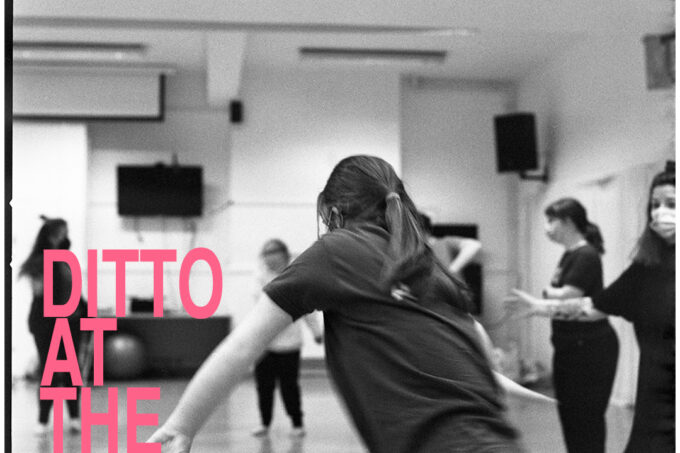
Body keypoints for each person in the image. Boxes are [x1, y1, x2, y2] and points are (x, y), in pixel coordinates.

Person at [149, 155, 545, 453]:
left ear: (335, 212)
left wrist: (183, 425)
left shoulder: (337, 250)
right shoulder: (423, 263)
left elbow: (242, 347)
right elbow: (472, 340)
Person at [508, 161, 675, 453]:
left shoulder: (585, 256)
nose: (661, 213)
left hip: (599, 357)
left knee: (585, 423)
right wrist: (540, 307)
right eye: (655, 204)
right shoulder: (648, 267)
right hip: (655, 406)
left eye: (672, 203)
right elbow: (593, 306)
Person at [539, 198, 619, 453]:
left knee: (586, 421)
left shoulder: (586, 255)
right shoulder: (570, 254)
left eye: (551, 221)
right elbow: (561, 295)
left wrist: (544, 297)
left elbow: (568, 297)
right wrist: (552, 294)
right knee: (571, 419)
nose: (547, 227)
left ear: (569, 223)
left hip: (590, 350)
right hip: (569, 348)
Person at [251, 239, 323, 438]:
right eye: (265, 255)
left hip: (289, 344)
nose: (268, 259)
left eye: (271, 254)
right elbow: (259, 307)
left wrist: (316, 331)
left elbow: (307, 308)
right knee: (264, 387)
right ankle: (264, 423)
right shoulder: (260, 277)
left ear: (282, 254)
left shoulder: (295, 276)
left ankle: (297, 423)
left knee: (289, 386)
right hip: (264, 343)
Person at [19, 216, 85, 434]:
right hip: (45, 323)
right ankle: (43, 420)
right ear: (50, 236)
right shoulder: (39, 262)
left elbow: (74, 290)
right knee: (49, 369)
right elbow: (42, 293)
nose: (65, 238)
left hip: (70, 322)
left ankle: (75, 417)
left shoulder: (66, 259)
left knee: (71, 370)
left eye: (66, 234)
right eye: (61, 234)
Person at [418, 213, 482, 279]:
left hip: (450, 287)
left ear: (424, 230)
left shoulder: (443, 243)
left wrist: (452, 271)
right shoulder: (416, 251)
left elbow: (474, 245)